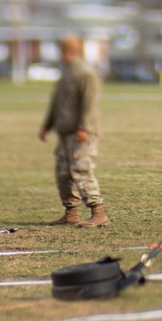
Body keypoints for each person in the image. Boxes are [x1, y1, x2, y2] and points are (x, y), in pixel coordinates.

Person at [38, 35, 109, 227]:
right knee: (63, 172)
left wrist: (84, 127)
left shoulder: (85, 73)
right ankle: (71, 213)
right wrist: (47, 125)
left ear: (66, 51)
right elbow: (57, 103)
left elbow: (89, 103)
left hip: (81, 134)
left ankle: (98, 213)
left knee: (81, 170)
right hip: (65, 133)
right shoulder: (66, 73)